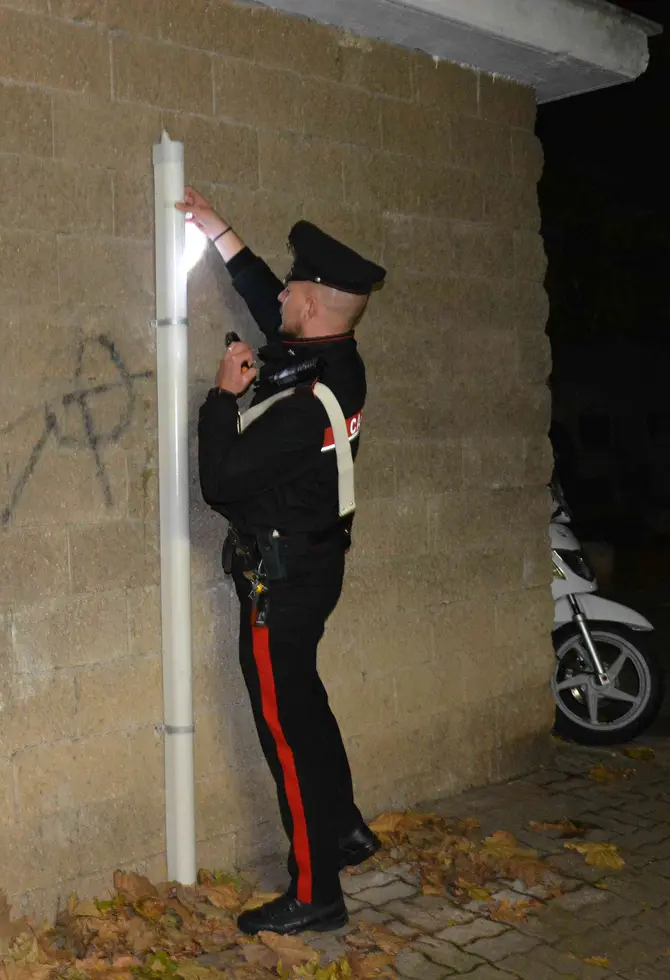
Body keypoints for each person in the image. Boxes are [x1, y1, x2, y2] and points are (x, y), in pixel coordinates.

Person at [180, 186, 386, 936]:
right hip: (313, 565)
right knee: (305, 703)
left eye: (294, 291)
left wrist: (219, 398)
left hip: (282, 579)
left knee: (284, 729)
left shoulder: (306, 400)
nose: (282, 300)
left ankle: (315, 893)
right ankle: (345, 831)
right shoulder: (335, 358)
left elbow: (222, 482)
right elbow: (268, 298)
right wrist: (219, 233)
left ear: (314, 305)